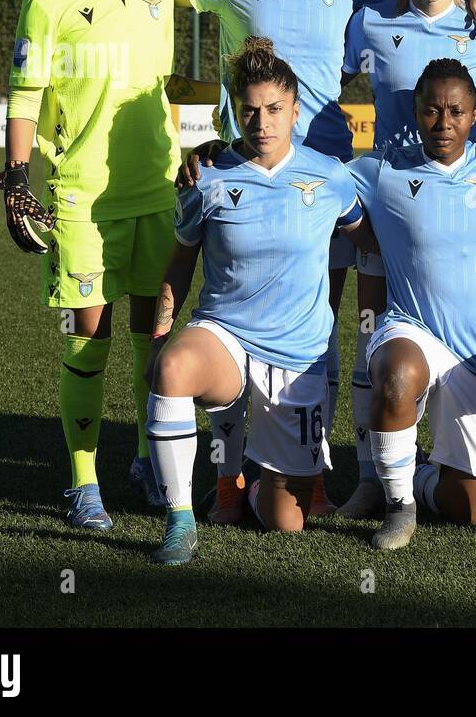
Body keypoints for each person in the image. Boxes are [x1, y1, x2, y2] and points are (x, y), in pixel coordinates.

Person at [36, 0, 476, 524]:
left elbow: (414, 10)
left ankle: (328, 475)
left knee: (327, 327)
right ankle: (229, 473)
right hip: (244, 176)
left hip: (327, 178)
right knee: (233, 312)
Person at [145, 37, 367, 564]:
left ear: (295, 109)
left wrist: (376, 329)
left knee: (286, 522)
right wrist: (159, 339)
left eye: (273, 110)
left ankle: (243, 483)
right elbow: (180, 264)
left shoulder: (330, 176)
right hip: (226, 333)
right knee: (174, 370)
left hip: (298, 356)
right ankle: (180, 521)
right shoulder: (207, 177)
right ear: (233, 111)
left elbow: (369, 242)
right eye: (249, 110)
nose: (261, 122)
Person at [2, 0, 179, 528]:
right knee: (89, 339)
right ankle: (83, 483)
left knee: (152, 336)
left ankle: (144, 459)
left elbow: (158, 86)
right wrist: (16, 180)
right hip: (82, 199)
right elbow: (24, 95)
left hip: (156, 194)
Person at [335, 0, 476, 520]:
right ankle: (372, 477)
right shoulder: (371, 24)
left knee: (472, 503)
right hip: (387, 204)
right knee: (374, 347)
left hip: (455, 209)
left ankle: (429, 469)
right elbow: (316, 87)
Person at [346, 59, 476, 549]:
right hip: (411, 329)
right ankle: (399, 505)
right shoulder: (384, 169)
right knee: (398, 376)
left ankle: (420, 475)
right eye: (431, 111)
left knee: (473, 508)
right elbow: (320, 185)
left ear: (474, 113)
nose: (443, 123)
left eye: (455, 111)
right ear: (415, 110)